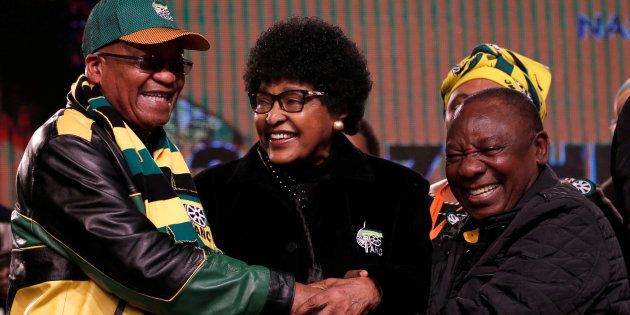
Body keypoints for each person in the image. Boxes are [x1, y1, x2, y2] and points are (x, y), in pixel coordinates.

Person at [9, 1, 322, 313]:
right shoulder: (65, 145)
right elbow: (145, 264)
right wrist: (291, 296)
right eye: (148, 61)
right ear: (95, 67)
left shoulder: (156, 149)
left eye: (176, 64)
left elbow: (201, 261)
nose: (169, 77)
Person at [194, 16, 432, 314]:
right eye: (263, 100)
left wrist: (376, 287)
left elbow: (425, 284)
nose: (272, 116)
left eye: (293, 100)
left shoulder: (399, 190)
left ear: (339, 105)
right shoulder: (210, 194)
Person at [427, 88, 630, 314]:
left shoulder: (567, 223)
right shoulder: (472, 228)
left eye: (491, 149)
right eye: (455, 155)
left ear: (539, 149)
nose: (468, 168)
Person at [430, 43, 552, 243]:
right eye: (459, 105)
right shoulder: (410, 205)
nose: (472, 116)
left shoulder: (570, 209)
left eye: (492, 106)